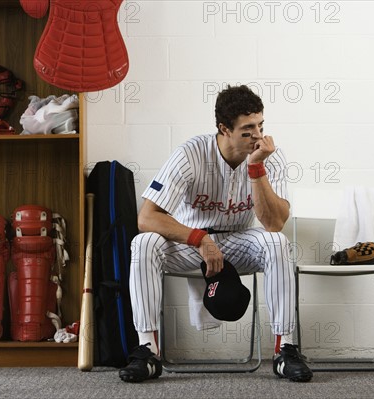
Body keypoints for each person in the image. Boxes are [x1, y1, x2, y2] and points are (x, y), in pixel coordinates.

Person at [118, 85, 313, 383]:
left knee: (277, 242)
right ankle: (147, 352)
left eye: (261, 125)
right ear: (224, 128)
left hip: (238, 241)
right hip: (189, 244)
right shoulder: (191, 153)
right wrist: (199, 239)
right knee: (143, 242)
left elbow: (274, 223)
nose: (258, 136)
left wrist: (257, 167)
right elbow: (146, 218)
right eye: (248, 129)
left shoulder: (269, 155)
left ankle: (284, 349)